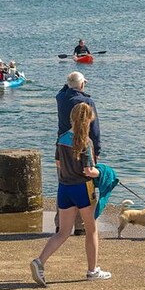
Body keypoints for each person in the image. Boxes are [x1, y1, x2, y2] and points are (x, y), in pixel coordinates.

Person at [30, 103, 111, 287]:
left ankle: (40, 261)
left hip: (64, 189)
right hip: (82, 189)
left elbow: (58, 163)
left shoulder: (62, 139)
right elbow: (89, 171)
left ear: (72, 118)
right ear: (89, 120)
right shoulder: (85, 142)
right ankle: (92, 270)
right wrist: (105, 172)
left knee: (63, 232)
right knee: (91, 230)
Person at [56, 71, 101, 234]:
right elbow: (94, 129)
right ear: (82, 85)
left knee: (64, 182)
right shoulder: (87, 101)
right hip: (82, 144)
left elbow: (61, 91)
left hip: (63, 145)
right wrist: (97, 150)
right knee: (85, 182)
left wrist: (70, 84)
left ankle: (61, 223)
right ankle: (81, 225)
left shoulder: (61, 98)